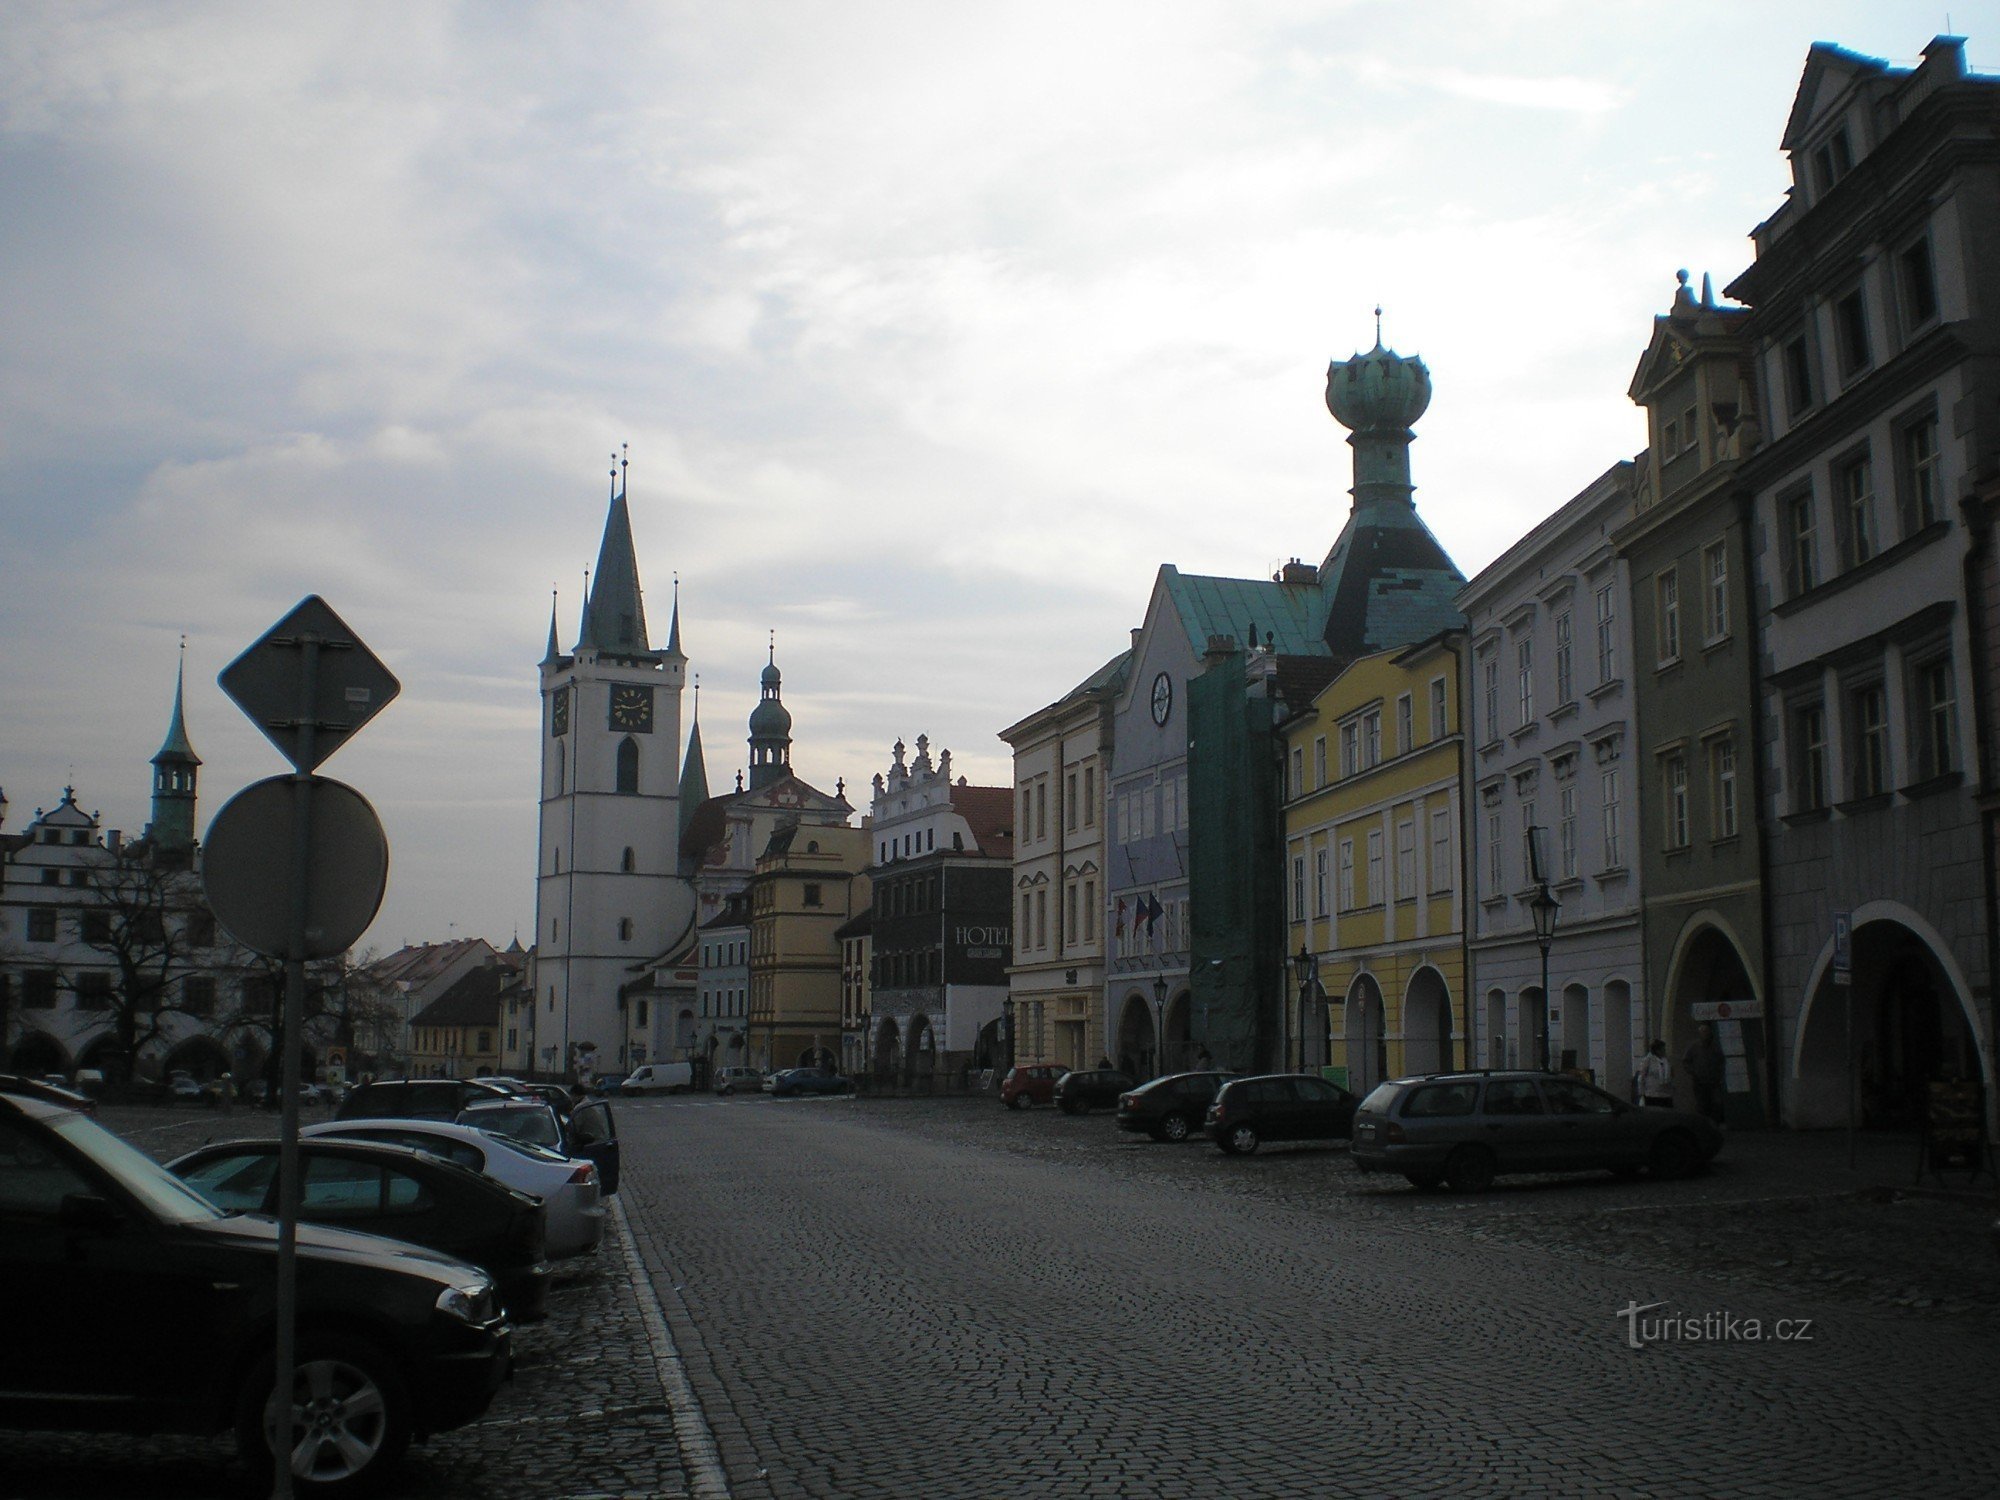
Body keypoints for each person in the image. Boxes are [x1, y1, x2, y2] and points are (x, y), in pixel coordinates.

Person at [1683, 1022, 1727, 1127]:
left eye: (1707, 1032)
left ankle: (1715, 1123)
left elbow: (1721, 1060)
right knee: (1702, 1104)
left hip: (1714, 1081)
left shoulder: (1715, 1047)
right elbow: (1686, 1061)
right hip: (1699, 1081)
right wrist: (1693, 1071)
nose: (1705, 1034)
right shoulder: (1694, 1047)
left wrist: (1720, 1074)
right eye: (1703, 1032)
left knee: (1716, 1103)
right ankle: (1703, 1125)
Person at [1634, 1039, 1674, 1108]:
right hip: (1652, 1094)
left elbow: (1672, 1075)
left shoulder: (1667, 1060)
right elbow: (1641, 1077)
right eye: (1662, 1049)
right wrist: (1641, 1093)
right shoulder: (1648, 1060)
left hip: (1666, 1094)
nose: (1664, 1051)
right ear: (1656, 1050)